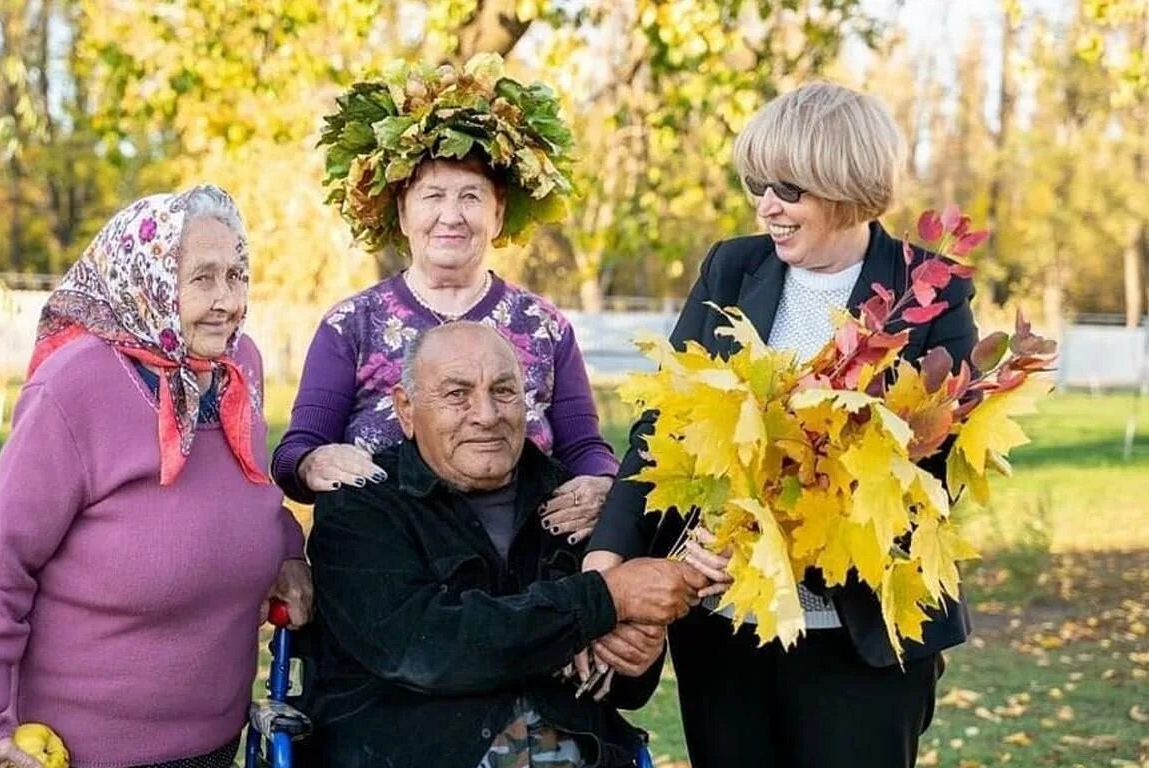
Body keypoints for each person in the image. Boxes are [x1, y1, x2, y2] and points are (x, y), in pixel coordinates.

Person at [585, 83, 977, 768]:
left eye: (788, 188)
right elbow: (661, 428)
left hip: (856, 637)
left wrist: (786, 533)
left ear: (845, 184)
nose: (768, 204)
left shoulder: (929, 290)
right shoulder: (731, 267)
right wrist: (605, 568)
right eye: (756, 184)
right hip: (724, 634)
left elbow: (937, 467)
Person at [0, 185, 313, 768]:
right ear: (148, 281)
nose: (228, 300)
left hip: (219, 741)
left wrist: (286, 551)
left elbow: (243, 492)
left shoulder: (237, 368)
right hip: (86, 751)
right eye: (204, 278)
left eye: (238, 275)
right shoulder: (76, 387)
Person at [300, 322, 706, 768]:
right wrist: (602, 600)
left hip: (573, 748)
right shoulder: (362, 508)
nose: (487, 414)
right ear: (406, 409)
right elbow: (424, 648)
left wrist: (638, 652)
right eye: (458, 395)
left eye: (504, 391)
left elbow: (625, 687)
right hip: (408, 748)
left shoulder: (573, 502)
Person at [272, 55, 615, 545]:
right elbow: (294, 453)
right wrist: (313, 462)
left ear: (499, 216)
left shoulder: (545, 326)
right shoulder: (351, 325)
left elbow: (585, 447)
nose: (451, 216)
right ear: (402, 213)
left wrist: (600, 484)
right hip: (387, 564)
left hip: (523, 565)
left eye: (471, 197)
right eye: (433, 196)